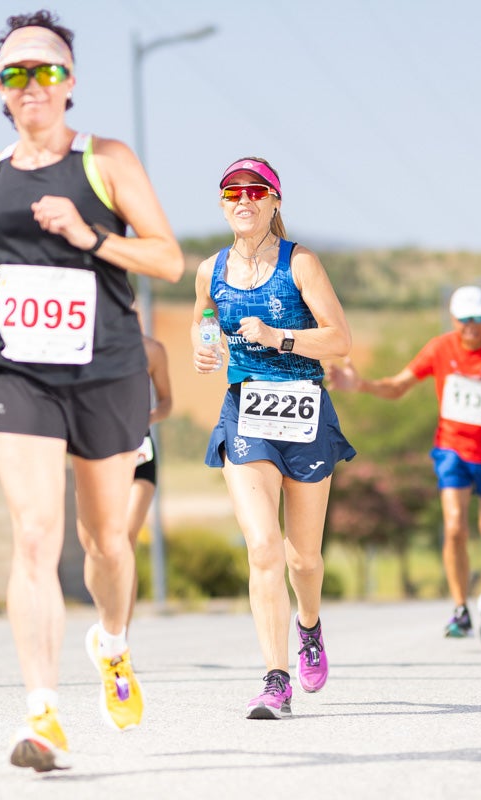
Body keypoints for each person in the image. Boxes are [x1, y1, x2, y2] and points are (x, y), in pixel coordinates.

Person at [0, 10, 183, 772]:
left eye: (47, 71)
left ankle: (111, 643)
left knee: (104, 544)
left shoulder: (105, 160)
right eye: (16, 73)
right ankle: (42, 715)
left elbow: (170, 260)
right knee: (37, 535)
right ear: (0, 89)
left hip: (106, 367)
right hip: (18, 368)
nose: (33, 85)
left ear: (70, 83)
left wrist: (91, 237)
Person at [191, 157, 355, 720]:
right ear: (222, 204)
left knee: (302, 557)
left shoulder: (301, 262)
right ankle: (274, 679)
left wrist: (280, 337)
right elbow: (203, 317)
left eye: (256, 190)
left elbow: (339, 342)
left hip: (304, 414)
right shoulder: (209, 268)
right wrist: (205, 343)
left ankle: (309, 628)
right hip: (245, 412)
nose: (244, 199)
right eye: (232, 192)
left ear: (274, 201)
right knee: (262, 547)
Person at [327, 285, 481, 645]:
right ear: (454, 319)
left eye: (479, 317)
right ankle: (459, 608)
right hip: (452, 450)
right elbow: (398, 386)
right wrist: (360, 384)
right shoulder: (440, 349)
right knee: (454, 526)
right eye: (465, 318)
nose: (472, 325)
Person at [123, 332, 174, 624]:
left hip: (140, 451)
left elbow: (167, 402)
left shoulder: (152, 350)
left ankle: (120, 638)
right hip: (101, 452)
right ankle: (109, 620)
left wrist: (149, 417)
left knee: (125, 537)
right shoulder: (87, 344)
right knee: (99, 544)